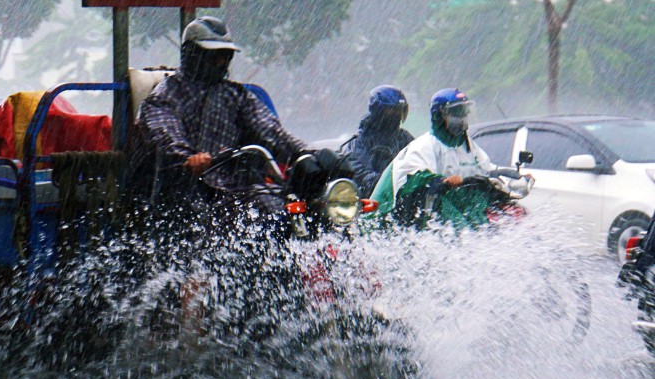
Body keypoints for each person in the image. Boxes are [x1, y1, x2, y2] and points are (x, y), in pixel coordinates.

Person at [125, 16, 347, 210]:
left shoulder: (236, 95)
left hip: (235, 189)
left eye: (224, 55)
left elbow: (270, 131)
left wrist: (306, 153)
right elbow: (166, 135)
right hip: (183, 191)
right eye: (214, 55)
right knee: (199, 215)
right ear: (192, 54)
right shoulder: (166, 95)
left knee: (279, 209)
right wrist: (188, 158)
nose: (221, 62)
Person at [370, 88, 494, 224]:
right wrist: (441, 182)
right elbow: (413, 179)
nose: (461, 119)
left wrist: (502, 175)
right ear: (438, 116)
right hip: (391, 217)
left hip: (442, 212)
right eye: (455, 113)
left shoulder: (469, 146)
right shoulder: (423, 146)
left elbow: (486, 169)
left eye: (463, 113)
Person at [341, 85, 413, 197]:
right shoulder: (358, 144)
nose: (397, 115)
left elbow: (421, 162)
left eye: (400, 110)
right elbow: (365, 180)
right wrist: (399, 179)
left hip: (403, 201)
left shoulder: (404, 138)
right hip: (373, 205)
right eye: (392, 110)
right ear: (378, 111)